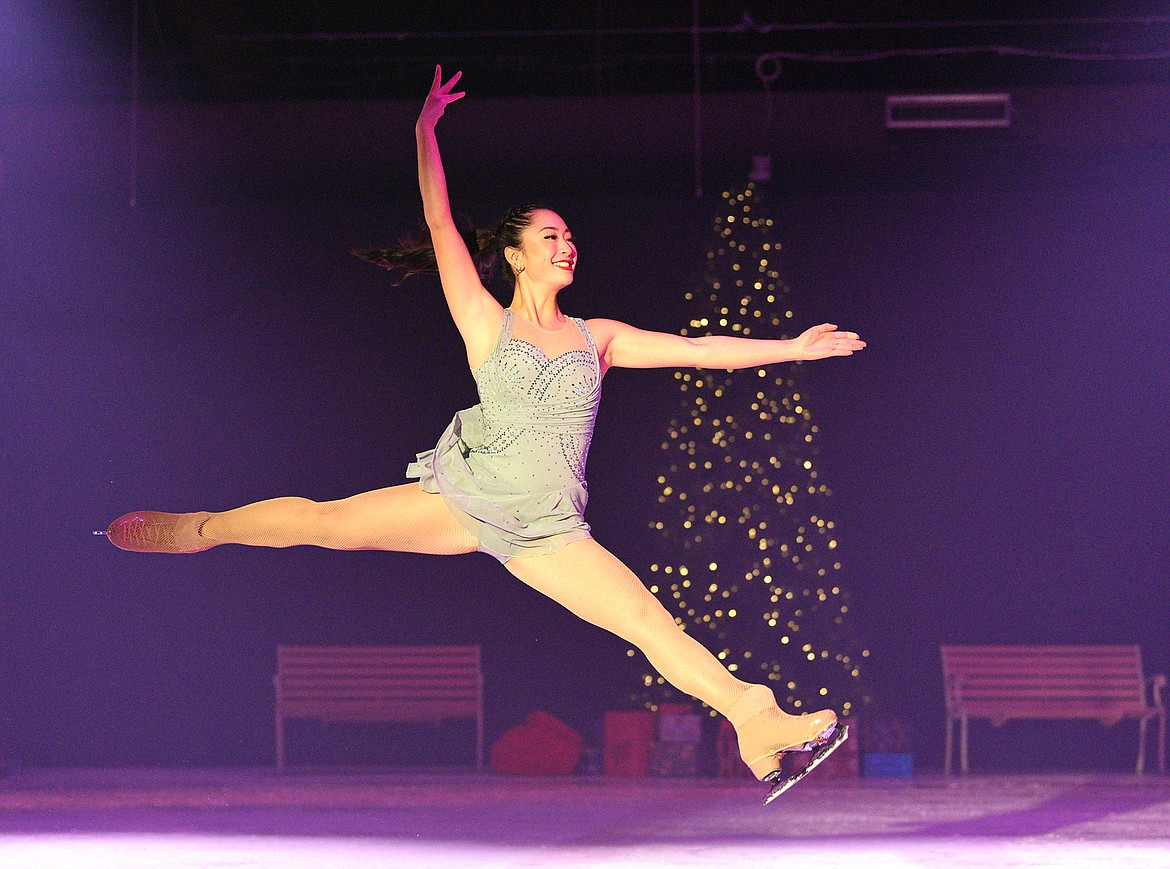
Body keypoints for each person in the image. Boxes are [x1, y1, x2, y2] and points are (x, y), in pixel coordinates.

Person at [107, 67, 866, 803]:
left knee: (648, 622)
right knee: (326, 521)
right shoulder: (484, 320)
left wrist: (792, 348)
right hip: (468, 498)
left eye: (570, 235)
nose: (567, 244)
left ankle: (757, 723)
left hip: (548, 530)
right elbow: (439, 220)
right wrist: (424, 130)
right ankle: (198, 527)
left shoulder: (596, 337)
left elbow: (698, 351)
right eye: (549, 235)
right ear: (513, 254)